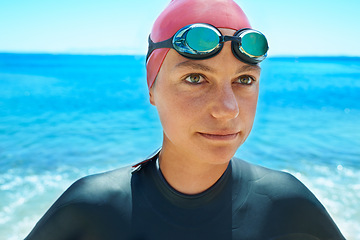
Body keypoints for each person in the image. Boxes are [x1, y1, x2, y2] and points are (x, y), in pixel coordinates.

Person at [25, 0, 345, 239]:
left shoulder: (288, 204)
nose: (227, 109)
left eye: (244, 80)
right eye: (195, 78)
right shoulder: (89, 208)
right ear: (152, 87)